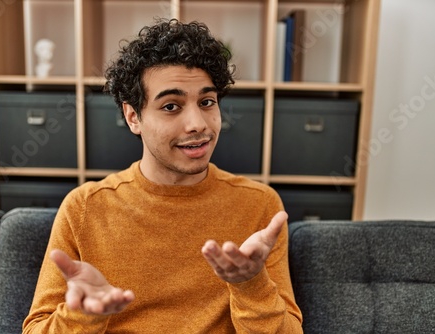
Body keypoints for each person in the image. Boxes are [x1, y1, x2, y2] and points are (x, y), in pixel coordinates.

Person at [23, 18, 303, 333]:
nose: (198, 123)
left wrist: (250, 283)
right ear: (133, 117)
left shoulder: (260, 205)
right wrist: (85, 316)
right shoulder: (84, 207)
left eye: (207, 102)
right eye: (171, 106)